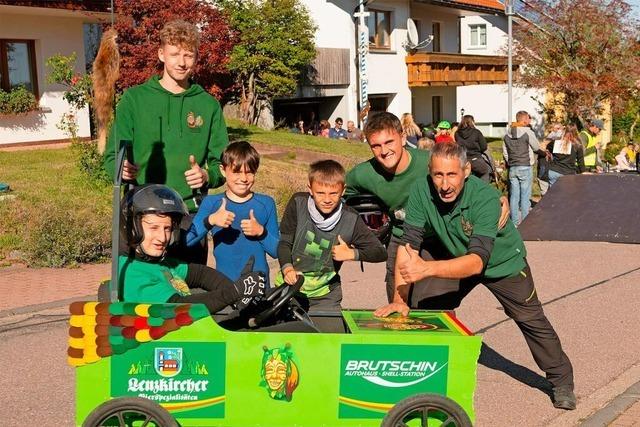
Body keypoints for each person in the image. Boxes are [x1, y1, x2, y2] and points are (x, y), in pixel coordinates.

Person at [374, 142, 576, 411]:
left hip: (501, 262)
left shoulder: (485, 198)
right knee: (428, 306)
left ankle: (561, 380)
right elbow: (408, 244)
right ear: (430, 173)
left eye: (452, 175)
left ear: (466, 170)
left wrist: (427, 269)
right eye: (438, 175)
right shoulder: (422, 190)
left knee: (530, 319)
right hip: (458, 256)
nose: (444, 184)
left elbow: (477, 262)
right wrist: (400, 299)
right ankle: (437, 369)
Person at [345, 112, 510, 304]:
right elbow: (334, 192)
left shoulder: (427, 163)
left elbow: (463, 178)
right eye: (376, 145)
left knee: (433, 302)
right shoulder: (362, 174)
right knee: (398, 301)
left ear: (403, 137)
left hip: (436, 235)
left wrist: (497, 196)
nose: (384, 151)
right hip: (401, 235)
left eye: (389, 142)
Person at [103, 20, 229, 265]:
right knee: (143, 292)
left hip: (189, 214)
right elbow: (111, 157)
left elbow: (222, 164)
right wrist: (122, 169)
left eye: (188, 55)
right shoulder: (134, 99)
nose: (181, 62)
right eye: (174, 54)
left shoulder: (208, 105)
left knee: (188, 290)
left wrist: (207, 176)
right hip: (141, 215)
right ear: (161, 54)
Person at [119, 184, 265, 314]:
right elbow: (179, 309)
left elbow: (201, 274)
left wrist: (240, 294)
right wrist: (235, 292)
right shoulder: (131, 272)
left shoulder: (161, 264)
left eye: (167, 228)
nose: (162, 237)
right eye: (154, 228)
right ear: (133, 229)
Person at [276, 160, 387, 313]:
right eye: (320, 193)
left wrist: (351, 254)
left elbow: (380, 252)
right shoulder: (298, 203)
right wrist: (287, 269)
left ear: (343, 190)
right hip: (289, 287)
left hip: (326, 295)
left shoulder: (351, 218)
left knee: (329, 334)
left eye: (333, 193)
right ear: (310, 188)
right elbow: (284, 243)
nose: (327, 200)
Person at [186, 141, 279, 286]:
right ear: (223, 170)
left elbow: (277, 251)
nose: (243, 178)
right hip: (224, 289)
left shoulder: (266, 203)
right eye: (236, 171)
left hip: (259, 289)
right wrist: (210, 220)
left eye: (249, 172)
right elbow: (187, 240)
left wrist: (261, 232)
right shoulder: (212, 203)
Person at [502, 110, 547, 226]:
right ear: (524, 120)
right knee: (525, 196)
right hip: (525, 166)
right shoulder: (527, 132)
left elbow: (505, 152)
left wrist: (510, 161)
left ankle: (515, 222)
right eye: (528, 119)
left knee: (514, 196)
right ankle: (526, 223)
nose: (529, 121)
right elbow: (536, 147)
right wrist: (544, 153)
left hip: (513, 168)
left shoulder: (507, 133)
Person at [455, 114, 491, 182]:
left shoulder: (457, 133)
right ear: (472, 122)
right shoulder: (476, 132)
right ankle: (482, 190)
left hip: (463, 160)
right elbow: (484, 147)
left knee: (466, 177)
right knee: (486, 171)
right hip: (476, 159)